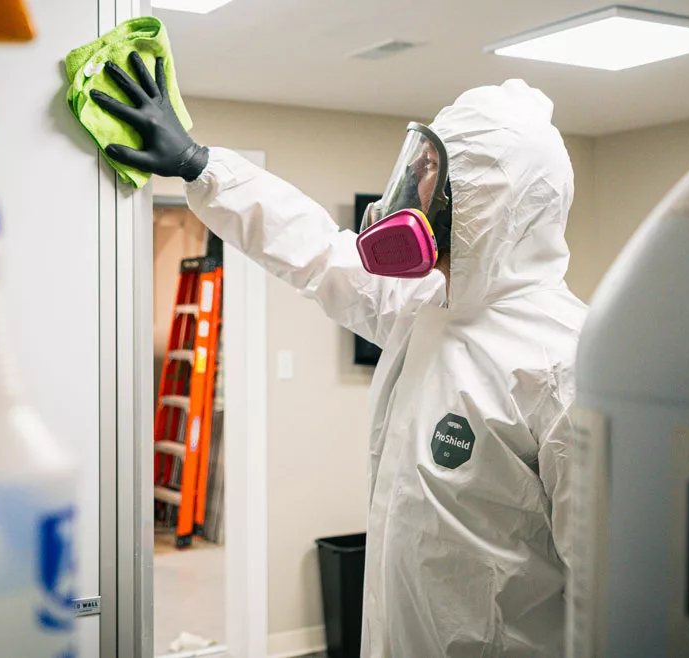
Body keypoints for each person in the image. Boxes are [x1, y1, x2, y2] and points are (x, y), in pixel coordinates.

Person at [94, 51, 587, 656]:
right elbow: (319, 252)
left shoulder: (567, 366)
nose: (412, 186)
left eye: (430, 169)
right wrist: (200, 166)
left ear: (492, 196)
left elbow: (614, 589)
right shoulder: (426, 307)